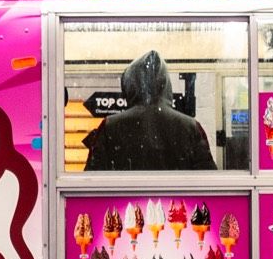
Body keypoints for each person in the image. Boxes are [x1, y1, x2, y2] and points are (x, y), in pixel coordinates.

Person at [82, 51, 216, 171]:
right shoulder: (190, 127)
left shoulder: (109, 127)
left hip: (124, 199)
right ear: (166, 85)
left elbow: (91, 182)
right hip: (178, 199)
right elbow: (208, 182)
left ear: (129, 86)